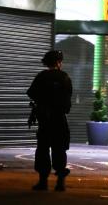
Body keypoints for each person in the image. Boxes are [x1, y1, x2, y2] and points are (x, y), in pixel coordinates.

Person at [27, 50, 73, 191]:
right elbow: (67, 100)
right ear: (59, 62)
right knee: (59, 149)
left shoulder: (42, 77)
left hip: (44, 119)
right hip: (59, 119)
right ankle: (60, 182)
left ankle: (43, 182)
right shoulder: (65, 77)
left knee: (43, 150)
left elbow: (31, 93)